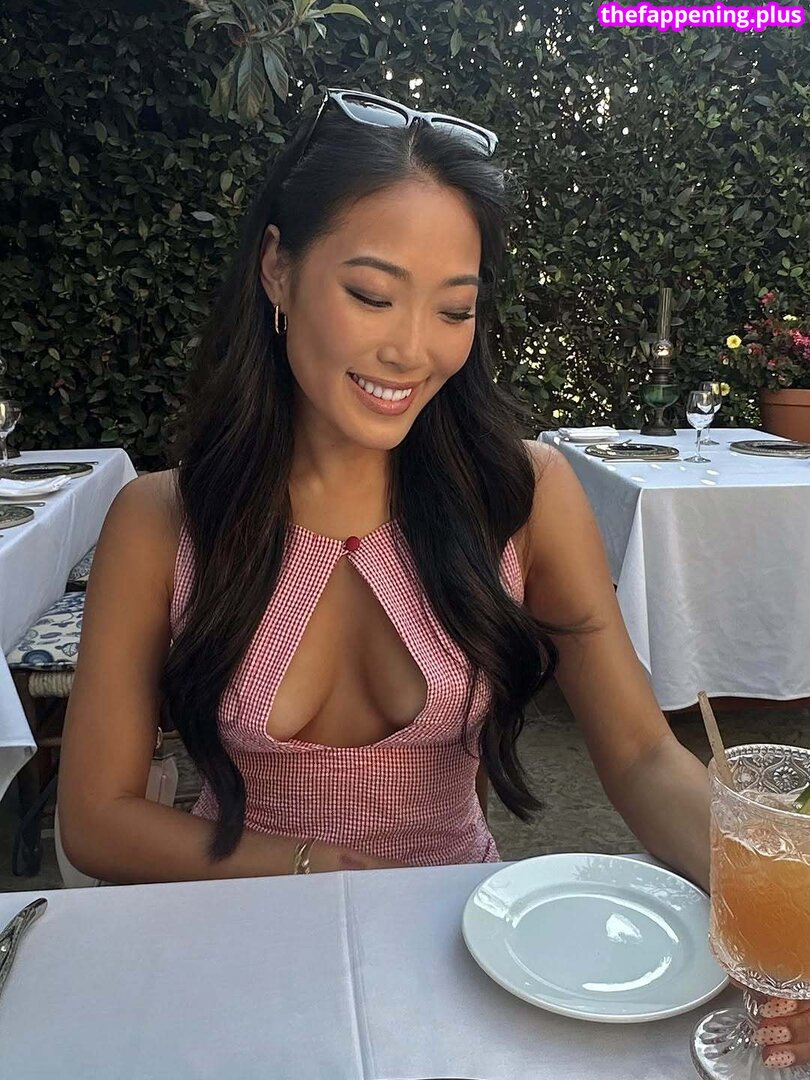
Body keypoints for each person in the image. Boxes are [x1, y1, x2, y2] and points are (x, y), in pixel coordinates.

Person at [59, 88, 710, 886]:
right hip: (240, 922)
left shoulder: (520, 496)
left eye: (454, 310)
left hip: (460, 934)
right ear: (278, 268)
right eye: (372, 295)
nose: (411, 350)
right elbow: (97, 816)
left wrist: (764, 882)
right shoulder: (164, 519)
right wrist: (313, 868)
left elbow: (643, 754)